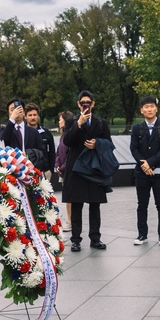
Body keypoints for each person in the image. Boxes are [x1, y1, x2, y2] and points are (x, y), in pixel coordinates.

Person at [62, 90, 111, 251]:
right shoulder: (71, 122)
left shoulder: (101, 123)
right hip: (76, 168)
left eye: (88, 103)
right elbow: (68, 141)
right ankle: (76, 239)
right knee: (76, 204)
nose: (85, 105)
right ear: (78, 104)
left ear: (93, 104)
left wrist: (97, 143)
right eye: (82, 102)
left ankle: (95, 238)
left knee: (95, 204)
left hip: (94, 168)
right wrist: (79, 124)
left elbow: (109, 144)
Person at [129, 96, 160, 245]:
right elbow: (133, 149)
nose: (149, 109)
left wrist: (150, 163)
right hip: (142, 173)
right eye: (146, 107)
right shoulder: (136, 128)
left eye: (151, 106)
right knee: (142, 204)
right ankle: (142, 234)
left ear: (156, 109)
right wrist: (144, 165)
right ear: (141, 110)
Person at [0, 99, 44, 165]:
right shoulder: (5, 130)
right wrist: (12, 119)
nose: (16, 112)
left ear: (24, 113)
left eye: (19, 109)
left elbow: (42, 151)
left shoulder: (33, 132)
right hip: (12, 168)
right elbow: (4, 139)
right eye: (12, 110)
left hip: (30, 168)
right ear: (8, 114)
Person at [54, 110, 75, 232]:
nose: (58, 121)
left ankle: (70, 221)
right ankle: (69, 219)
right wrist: (57, 164)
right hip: (63, 170)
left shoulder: (70, 136)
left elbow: (70, 155)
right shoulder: (63, 135)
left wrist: (61, 167)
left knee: (70, 197)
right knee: (67, 197)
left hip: (68, 171)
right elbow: (58, 152)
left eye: (60, 119)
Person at [26, 103, 56, 177]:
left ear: (38, 116)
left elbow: (52, 152)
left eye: (35, 115)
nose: (33, 117)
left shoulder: (46, 133)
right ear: (25, 116)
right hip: (26, 172)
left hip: (44, 171)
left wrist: (51, 170)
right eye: (30, 115)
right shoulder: (22, 133)